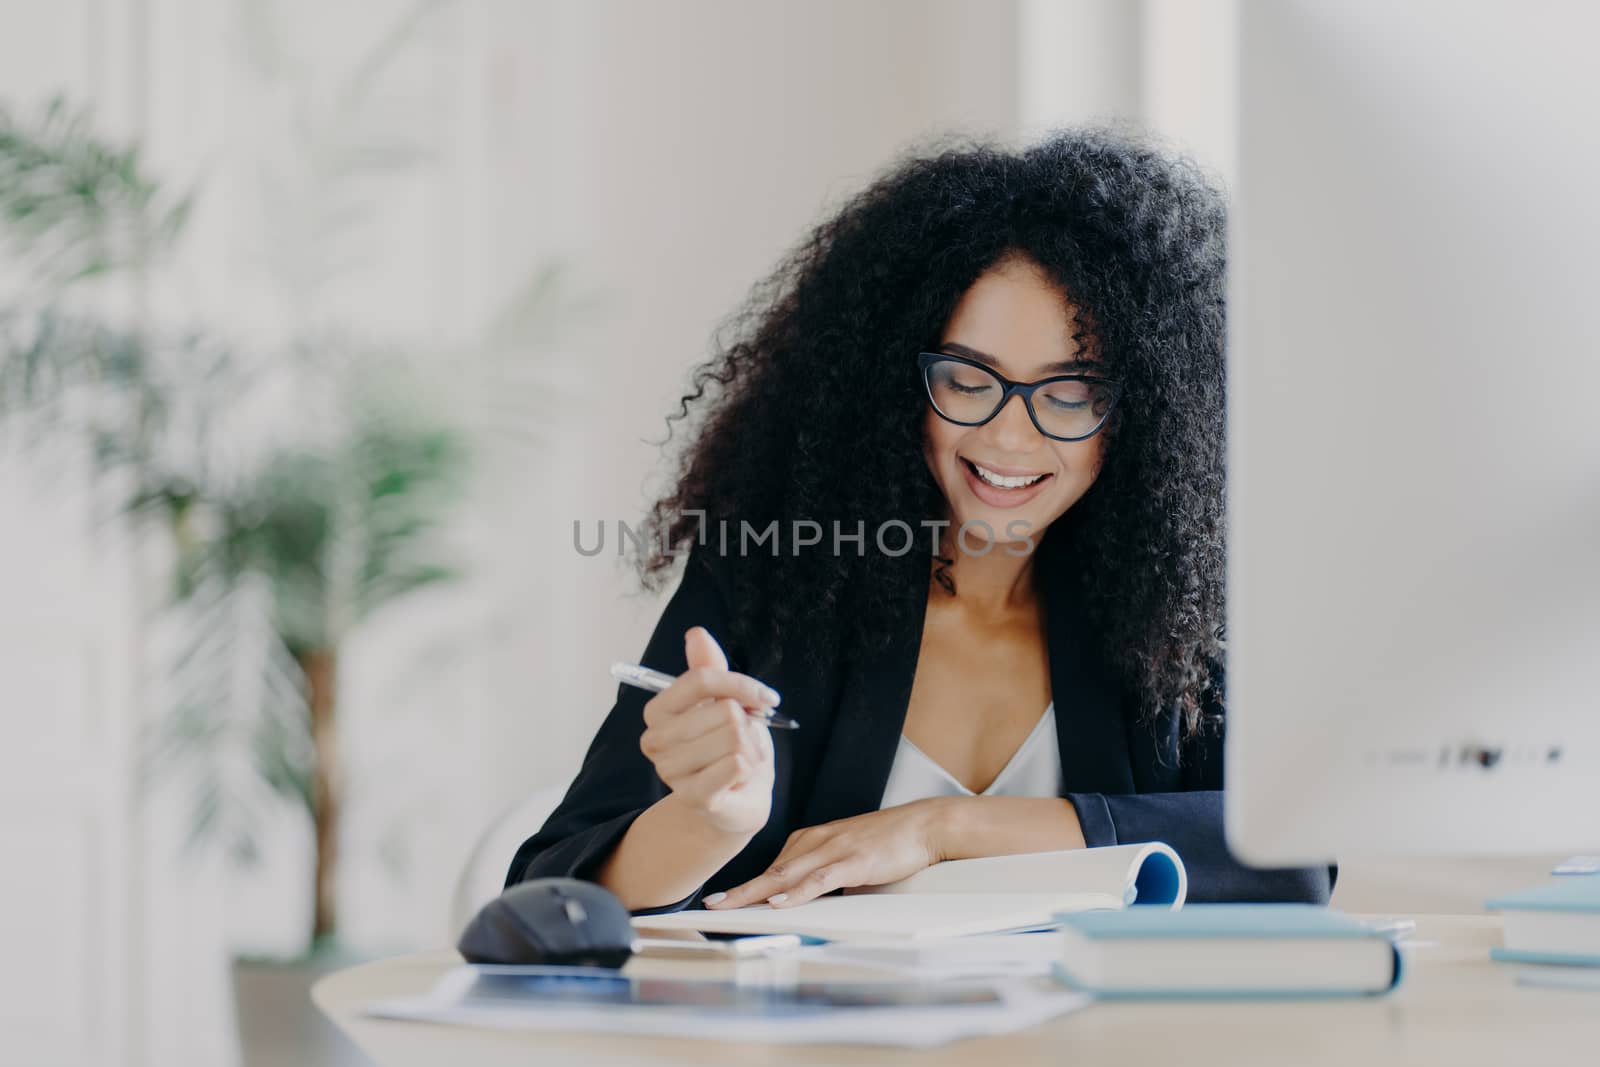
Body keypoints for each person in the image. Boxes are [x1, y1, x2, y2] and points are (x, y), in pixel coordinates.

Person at [507, 128, 1333, 913]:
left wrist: (942, 830)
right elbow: (548, 890)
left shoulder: (1178, 614)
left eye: (1071, 392)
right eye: (970, 380)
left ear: (1146, 413)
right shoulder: (775, 581)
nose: (1012, 436)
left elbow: (1293, 854)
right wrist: (707, 823)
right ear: (896, 380)